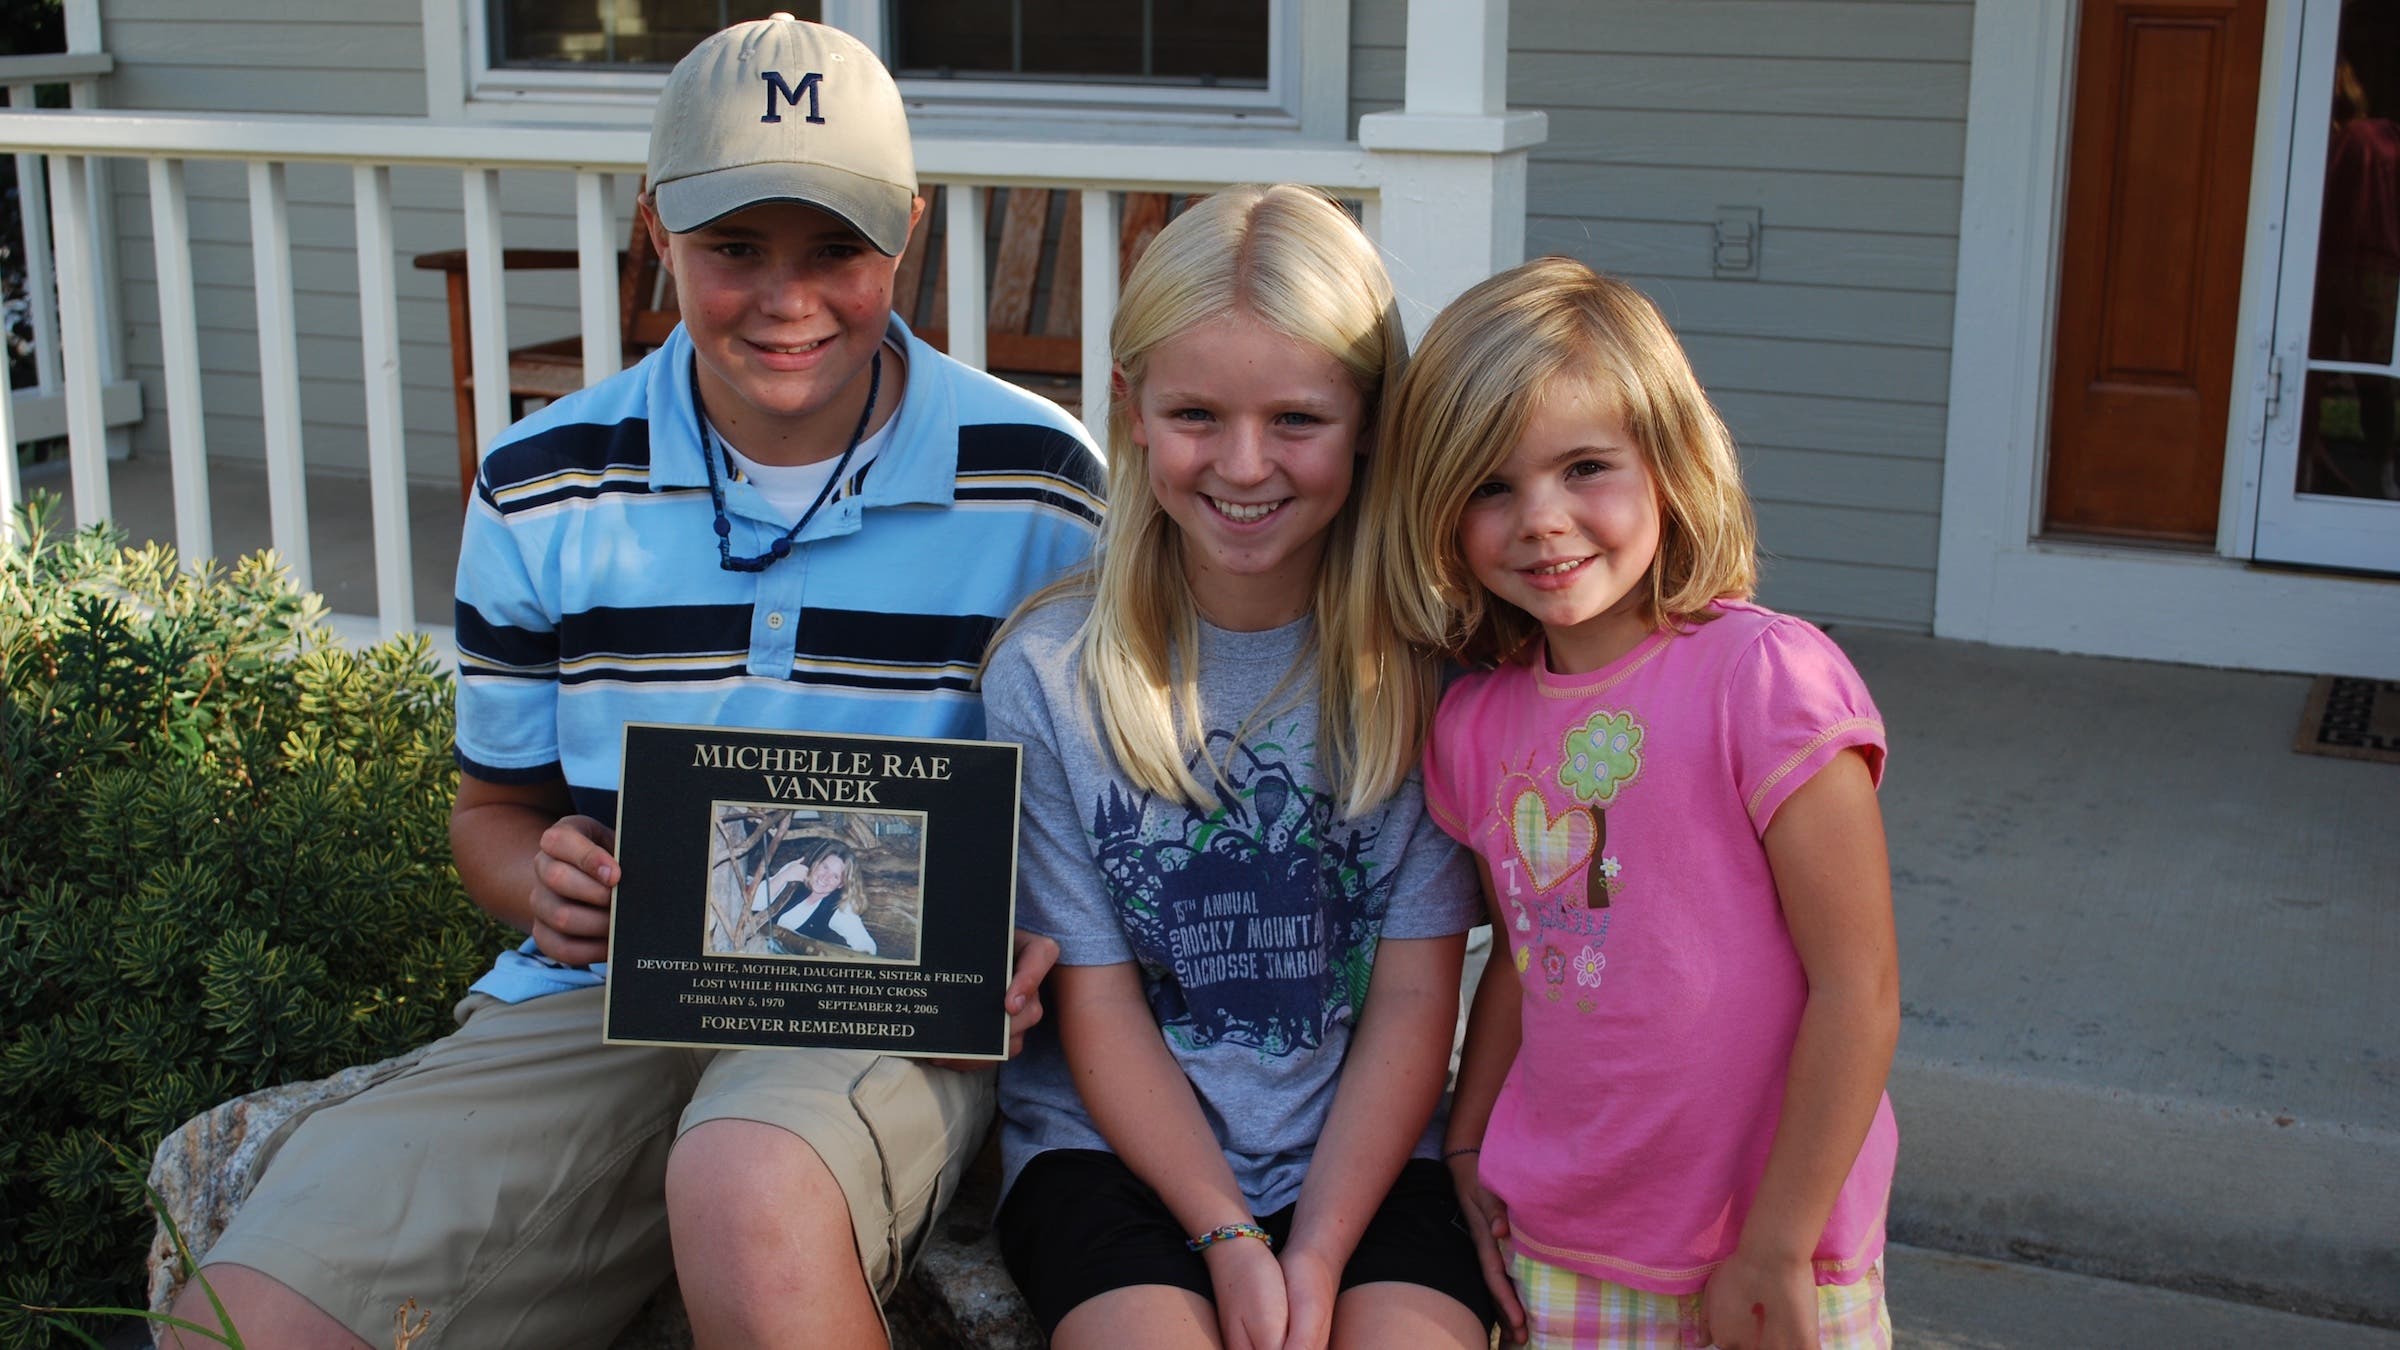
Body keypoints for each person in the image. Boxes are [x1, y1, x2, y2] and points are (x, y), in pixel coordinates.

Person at [172, 15, 1104, 1349]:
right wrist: (534, 877)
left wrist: (1022, 951)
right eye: (733, 248)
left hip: (880, 1008)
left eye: (837, 247)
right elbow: (493, 807)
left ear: (910, 225)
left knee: (747, 1187)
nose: (788, 302)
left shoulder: (1038, 482)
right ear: (656, 225)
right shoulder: (547, 480)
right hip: (607, 989)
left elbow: (1094, 812)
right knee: (251, 1308)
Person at [983, 184, 1495, 1350]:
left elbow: (1416, 996)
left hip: (1368, 1154)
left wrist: (1312, 1247)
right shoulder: (1052, 674)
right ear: (1132, 411)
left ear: (1370, 418)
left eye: (1300, 420)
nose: (1246, 464)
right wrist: (1224, 1231)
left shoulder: (1432, 674)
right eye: (1198, 414)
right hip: (1110, 1154)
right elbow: (1097, 995)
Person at [1372, 256, 1900, 1350]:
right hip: (1562, 1244)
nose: (1543, 521)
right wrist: (1467, 1142)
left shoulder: (1768, 682)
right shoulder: (1474, 730)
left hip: (1768, 1250)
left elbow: (1861, 986)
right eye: (1491, 485)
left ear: (1665, 461)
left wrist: (1779, 1243)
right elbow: (1531, 949)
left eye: (1584, 467)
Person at [755, 835, 879, 957]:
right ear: (817, 863)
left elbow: (865, 945)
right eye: (825, 867)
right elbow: (754, 903)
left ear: (841, 884)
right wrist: (783, 877)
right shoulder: (795, 873)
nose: (825, 878)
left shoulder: (837, 907)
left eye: (835, 876)